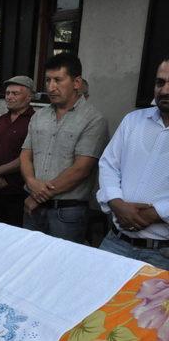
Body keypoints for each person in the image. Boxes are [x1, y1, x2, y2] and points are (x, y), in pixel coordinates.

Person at [20, 53, 108, 243]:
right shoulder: (39, 116)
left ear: (76, 82)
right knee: (28, 261)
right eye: (48, 80)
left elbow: (81, 169)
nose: (51, 87)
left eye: (58, 80)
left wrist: (38, 196)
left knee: (61, 267)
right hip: (32, 207)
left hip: (67, 213)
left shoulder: (93, 120)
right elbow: (26, 155)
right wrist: (30, 181)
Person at [96, 58, 169, 270]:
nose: (165, 90)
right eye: (160, 82)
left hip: (162, 253)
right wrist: (117, 203)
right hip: (116, 241)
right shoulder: (133, 121)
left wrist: (157, 213)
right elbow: (109, 164)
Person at [0, 76, 35, 226]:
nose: (9, 97)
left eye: (15, 93)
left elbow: (27, 157)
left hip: (18, 192)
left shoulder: (35, 121)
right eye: (7, 93)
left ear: (29, 97)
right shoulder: (0, 120)